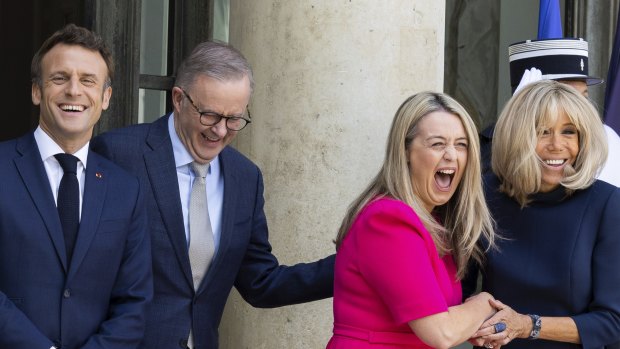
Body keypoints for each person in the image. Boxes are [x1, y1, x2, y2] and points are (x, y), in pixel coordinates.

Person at [91, 41, 334, 349]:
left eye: (234, 119)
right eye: (210, 115)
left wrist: (353, 265)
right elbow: (87, 272)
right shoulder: (119, 154)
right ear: (178, 99)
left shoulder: (246, 178)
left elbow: (260, 282)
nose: (220, 131)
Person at [0, 24, 151, 349]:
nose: (74, 91)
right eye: (59, 78)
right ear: (37, 91)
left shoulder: (127, 191)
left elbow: (134, 302)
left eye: (87, 80)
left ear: (105, 97)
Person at [325, 92, 498, 349]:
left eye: (461, 144)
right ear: (405, 151)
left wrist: (473, 326)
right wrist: (484, 303)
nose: (452, 155)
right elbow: (441, 332)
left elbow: (432, 319)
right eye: (438, 144)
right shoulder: (388, 220)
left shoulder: (432, 221)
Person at [467, 80, 620, 348]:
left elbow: (613, 321)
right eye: (543, 132)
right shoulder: (482, 194)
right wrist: (472, 322)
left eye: (569, 132)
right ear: (518, 136)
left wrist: (528, 325)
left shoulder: (607, 204)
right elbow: (457, 291)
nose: (556, 145)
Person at [480, 38, 620, 187]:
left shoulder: (606, 137)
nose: (580, 107)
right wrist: (517, 125)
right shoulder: (490, 143)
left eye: (583, 97)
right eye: (568, 96)